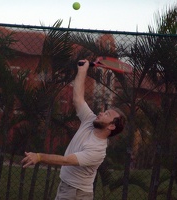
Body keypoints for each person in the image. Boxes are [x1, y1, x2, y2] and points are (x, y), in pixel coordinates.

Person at [21, 59, 126, 200]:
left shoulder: (97, 150)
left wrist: (39, 157)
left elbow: (66, 161)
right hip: (68, 188)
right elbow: (77, 99)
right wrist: (82, 71)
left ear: (111, 126)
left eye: (106, 114)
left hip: (76, 194)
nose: (101, 112)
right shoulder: (90, 120)